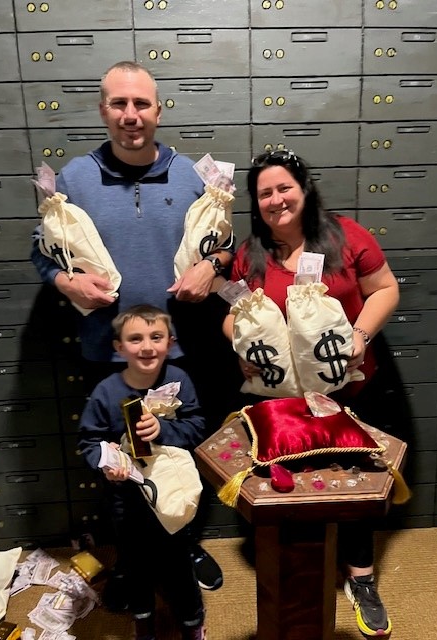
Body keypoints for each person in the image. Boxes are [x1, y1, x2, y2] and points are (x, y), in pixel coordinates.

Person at [30, 61, 230, 598]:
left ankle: (184, 545)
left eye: (141, 103)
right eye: (119, 103)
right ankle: (131, 554)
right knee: (118, 460)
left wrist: (213, 266)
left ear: (159, 111)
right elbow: (43, 251)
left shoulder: (193, 176)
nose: (131, 114)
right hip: (108, 354)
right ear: (103, 111)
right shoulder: (74, 179)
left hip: (180, 351)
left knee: (179, 454)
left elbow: (224, 245)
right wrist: (66, 281)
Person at [222, 149, 400, 637]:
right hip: (284, 403)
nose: (276, 200)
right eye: (265, 193)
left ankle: (361, 576)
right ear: (256, 202)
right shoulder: (251, 254)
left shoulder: (345, 236)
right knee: (293, 484)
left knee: (355, 481)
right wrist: (243, 348)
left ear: (304, 188)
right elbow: (234, 314)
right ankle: (296, 568)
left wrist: (360, 336)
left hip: (349, 390)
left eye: (284, 188)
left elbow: (385, 288)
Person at [79, 304, 206, 640]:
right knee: (134, 562)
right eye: (135, 339)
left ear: (170, 343)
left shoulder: (180, 380)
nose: (147, 346)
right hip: (126, 497)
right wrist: (106, 463)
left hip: (172, 494)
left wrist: (163, 430)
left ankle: (192, 620)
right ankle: (143, 619)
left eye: (156, 337)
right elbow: (89, 442)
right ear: (119, 347)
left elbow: (196, 428)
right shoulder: (106, 391)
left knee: (178, 561)